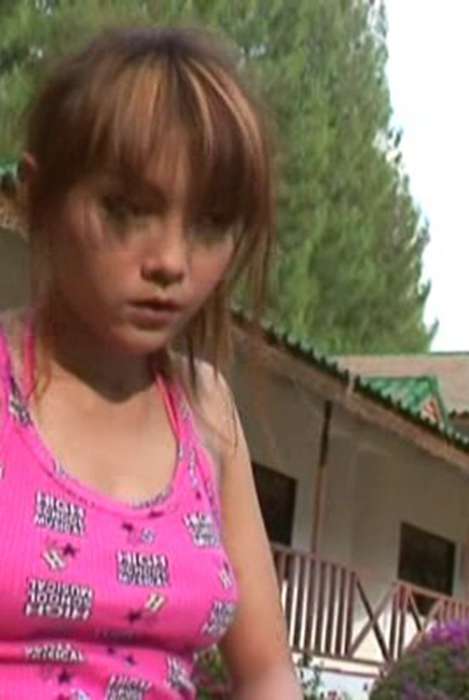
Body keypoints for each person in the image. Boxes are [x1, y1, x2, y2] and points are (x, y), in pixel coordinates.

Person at [0, 24, 302, 700]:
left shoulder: (207, 410)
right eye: (127, 209)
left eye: (210, 223)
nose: (170, 260)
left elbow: (268, 672)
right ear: (38, 197)